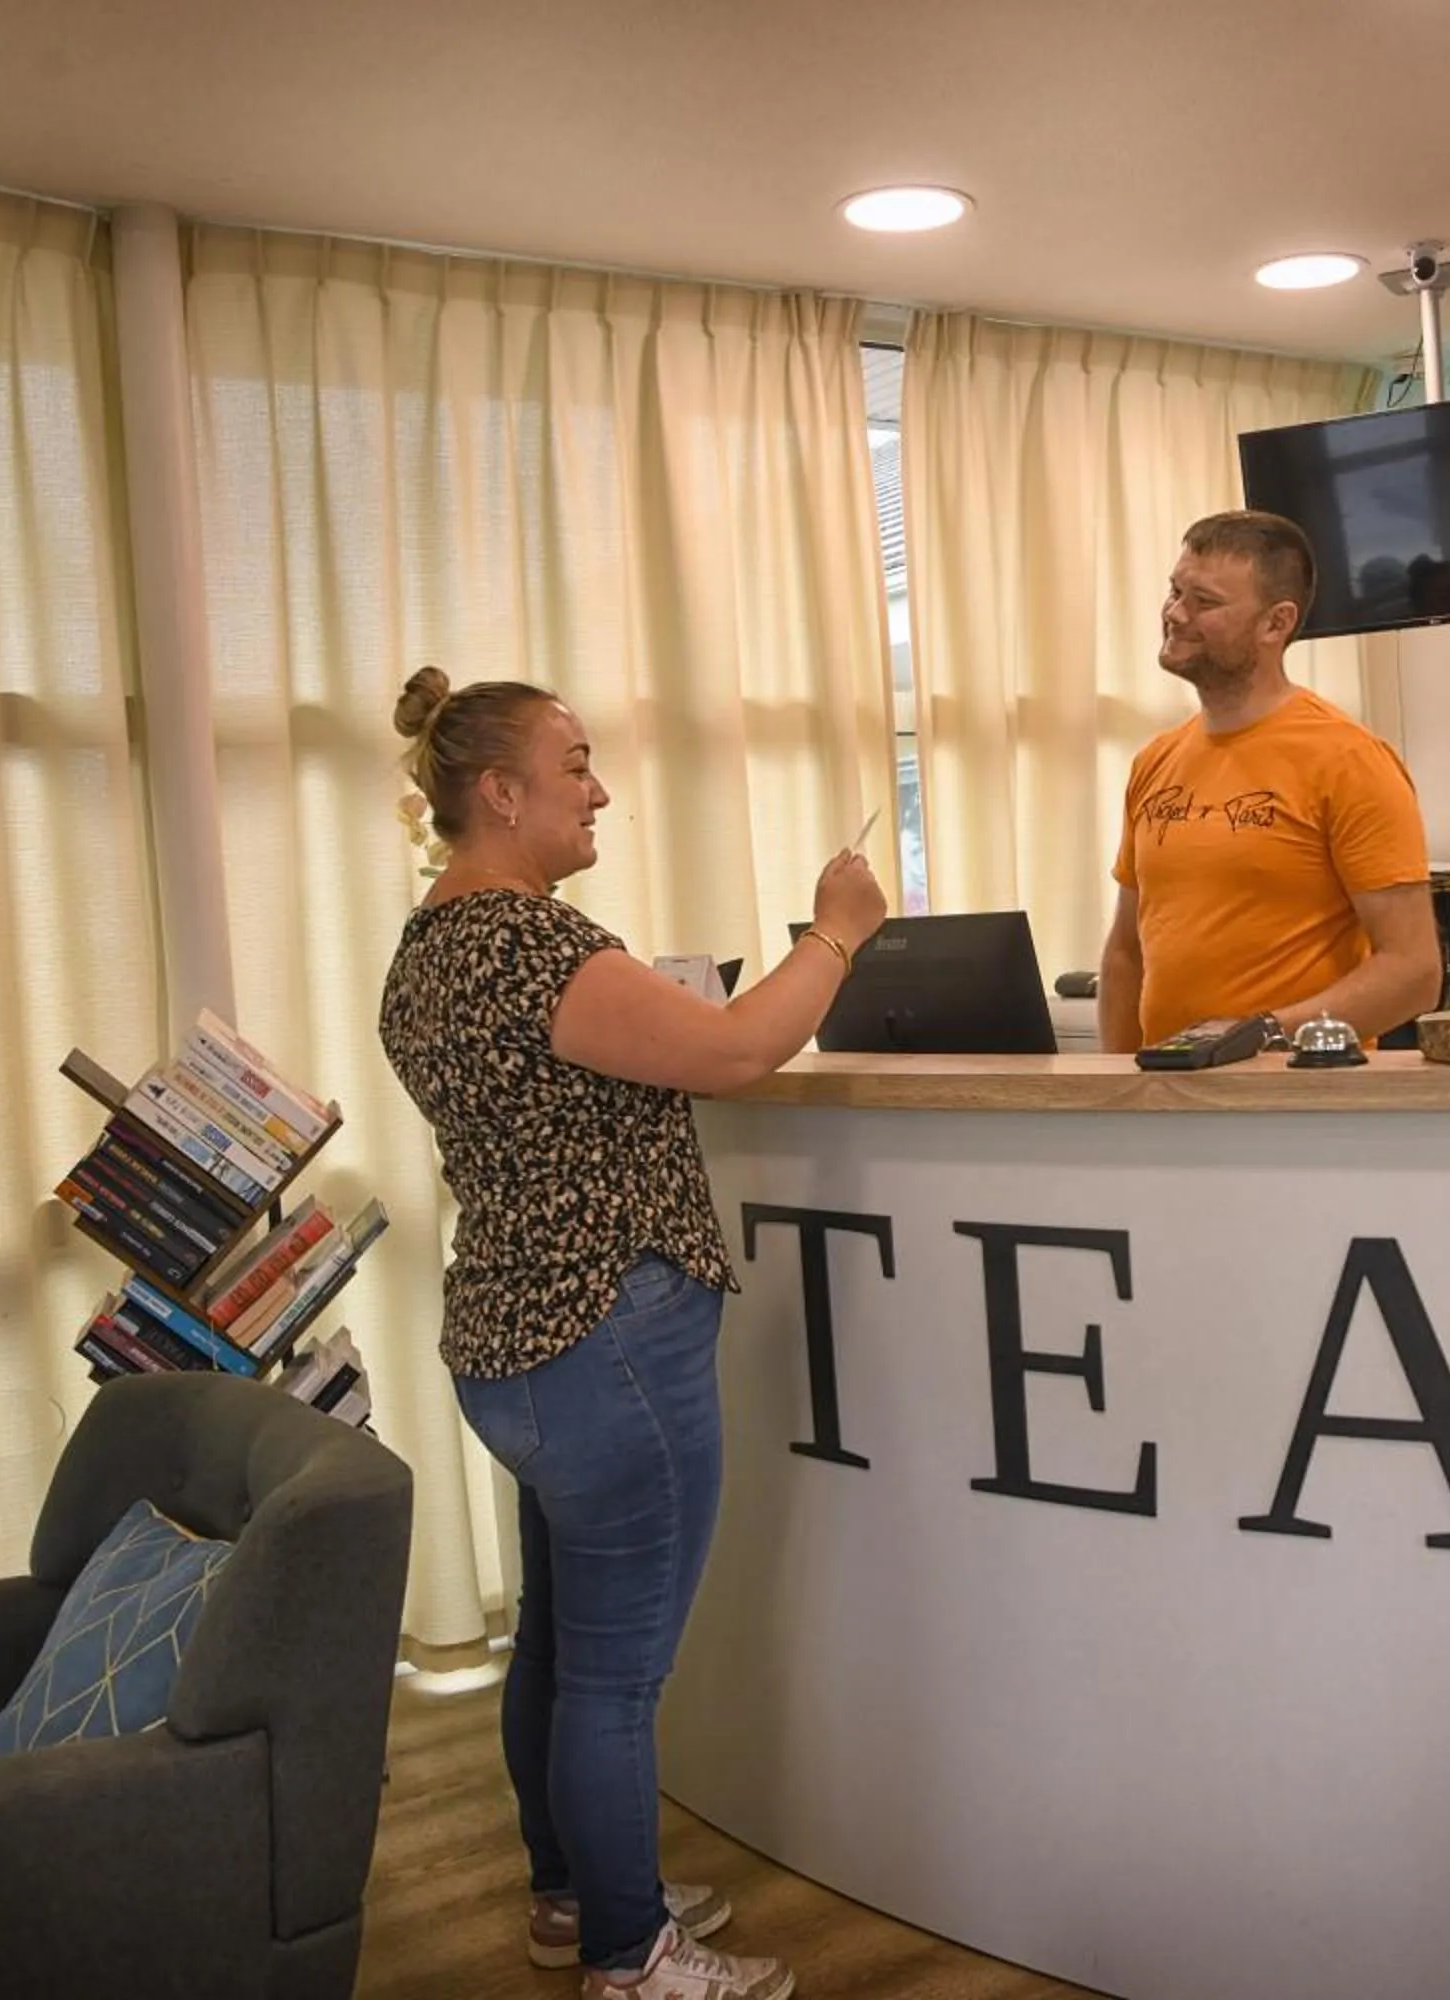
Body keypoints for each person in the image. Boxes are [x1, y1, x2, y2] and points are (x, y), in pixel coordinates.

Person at [378, 666, 886, 2000]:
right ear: (499, 792)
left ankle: (576, 1897)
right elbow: (730, 1053)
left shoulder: (427, 950)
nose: (600, 791)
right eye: (577, 766)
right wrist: (835, 935)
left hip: (509, 1338)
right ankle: (631, 1957)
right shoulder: (535, 947)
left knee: (554, 1639)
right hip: (609, 1342)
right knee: (612, 1676)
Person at [1097, 511, 1441, 1053]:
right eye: (1174, 591)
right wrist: (1113, 1094)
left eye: (1204, 602)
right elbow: (1126, 954)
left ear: (1275, 624)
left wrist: (1256, 1037)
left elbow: (1414, 972)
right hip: (1171, 1105)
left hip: (1298, 1109)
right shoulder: (1154, 761)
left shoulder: (1349, 759)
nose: (1175, 613)